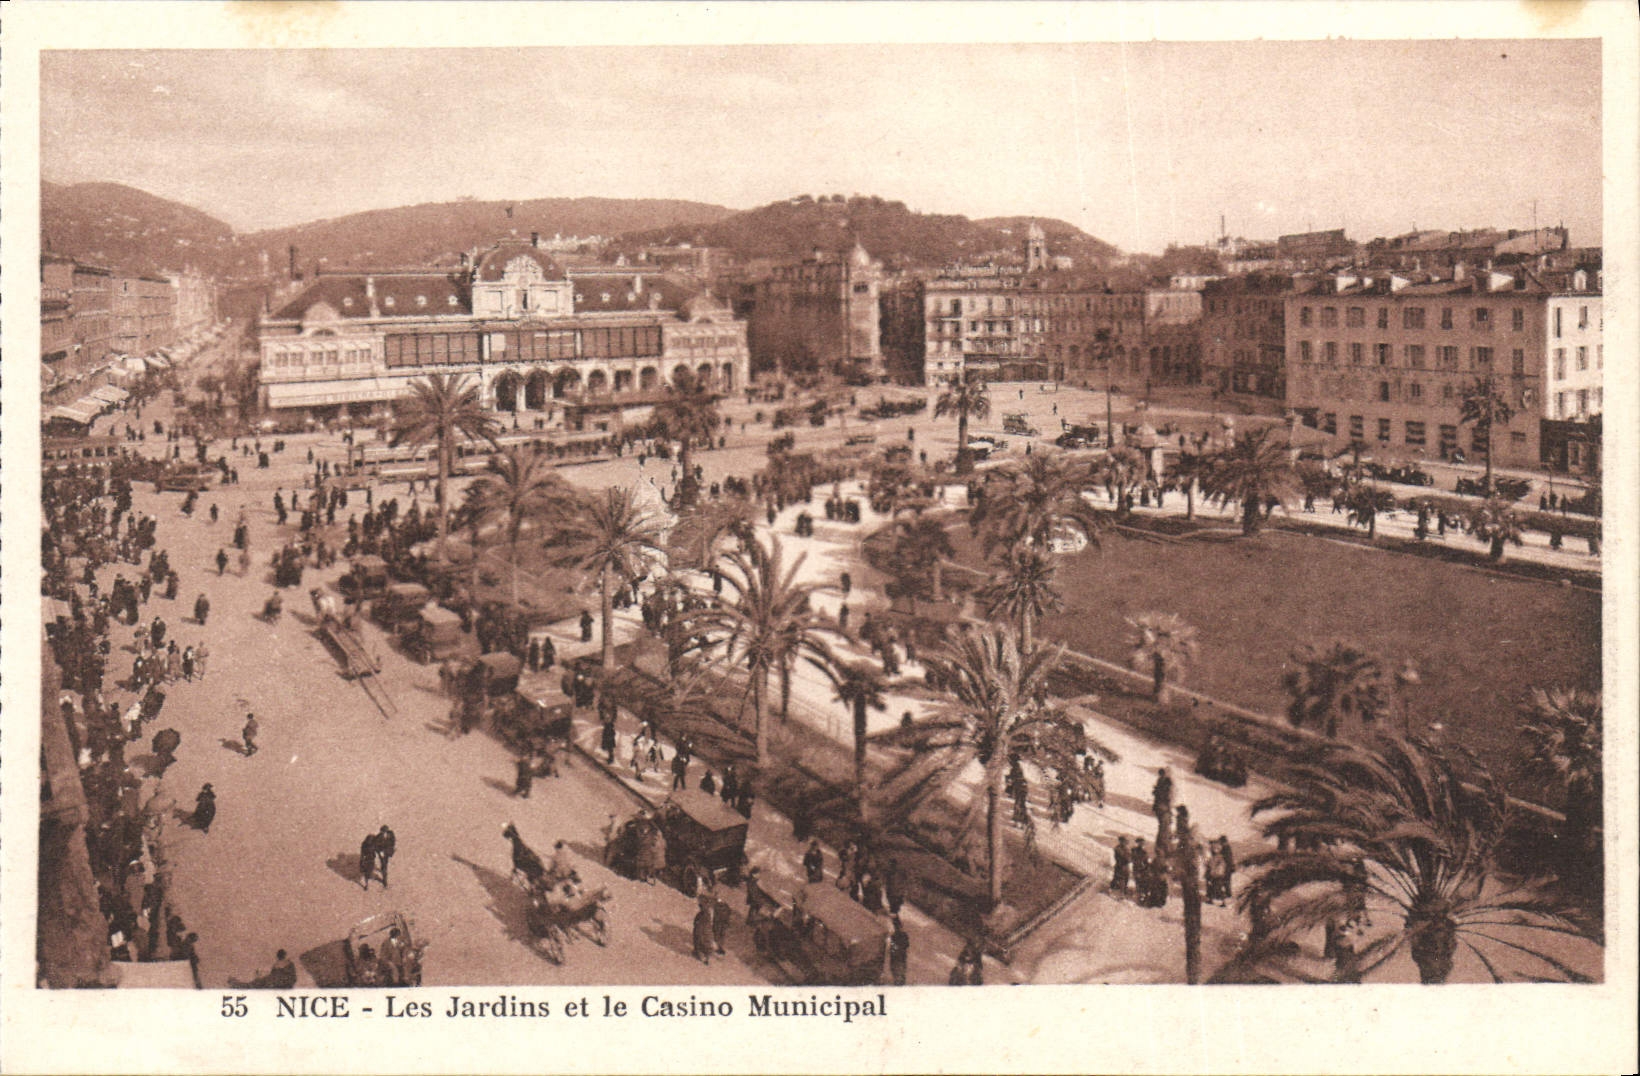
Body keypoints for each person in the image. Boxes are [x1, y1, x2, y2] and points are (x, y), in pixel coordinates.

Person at [1151, 767, 1175, 851]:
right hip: (1162, 807)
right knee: (1164, 828)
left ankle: (1163, 845)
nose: (1161, 776)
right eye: (1161, 774)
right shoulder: (1162, 781)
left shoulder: (1167, 782)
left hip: (1163, 807)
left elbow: (1167, 795)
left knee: (1164, 828)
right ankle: (1163, 846)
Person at [692, 891, 716, 964]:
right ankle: (704, 955)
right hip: (706, 928)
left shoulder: (705, 913)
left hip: (703, 927)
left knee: (700, 938)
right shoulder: (707, 912)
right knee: (704, 940)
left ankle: (701, 954)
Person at [888, 916, 910, 986]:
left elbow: (892, 947)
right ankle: (900, 982)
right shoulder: (904, 935)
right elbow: (907, 945)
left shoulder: (894, 936)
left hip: (896, 956)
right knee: (900, 970)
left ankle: (898, 982)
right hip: (901, 956)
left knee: (896, 970)